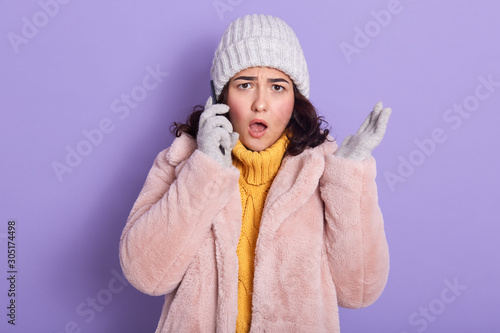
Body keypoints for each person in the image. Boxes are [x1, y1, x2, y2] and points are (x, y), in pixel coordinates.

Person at [119, 14, 391, 333]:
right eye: (245, 84)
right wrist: (203, 170)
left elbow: (357, 291)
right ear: (221, 97)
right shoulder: (182, 160)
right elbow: (146, 275)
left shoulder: (322, 171)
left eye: (277, 87)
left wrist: (349, 177)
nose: (260, 103)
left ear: (295, 100)